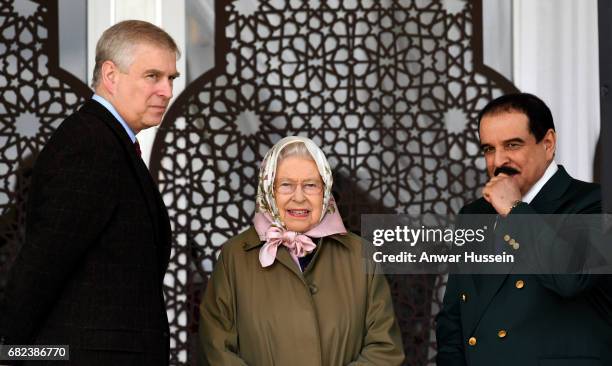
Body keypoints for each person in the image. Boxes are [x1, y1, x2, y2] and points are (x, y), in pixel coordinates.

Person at [0, 20, 178, 365]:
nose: (167, 91)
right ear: (110, 75)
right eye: (153, 76)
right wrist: (8, 351)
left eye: (172, 78)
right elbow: (44, 263)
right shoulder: (90, 145)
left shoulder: (108, 141)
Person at [436, 93, 612, 365]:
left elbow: (570, 279)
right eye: (489, 149)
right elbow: (454, 319)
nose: (498, 161)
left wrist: (514, 210)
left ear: (548, 144)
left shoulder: (595, 203)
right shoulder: (473, 215)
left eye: (512, 145)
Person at [198, 136, 404, 365]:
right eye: (286, 185)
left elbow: (385, 348)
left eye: (310, 185)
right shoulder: (234, 256)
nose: (299, 197)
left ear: (325, 190)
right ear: (268, 189)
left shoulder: (359, 254)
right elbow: (216, 349)